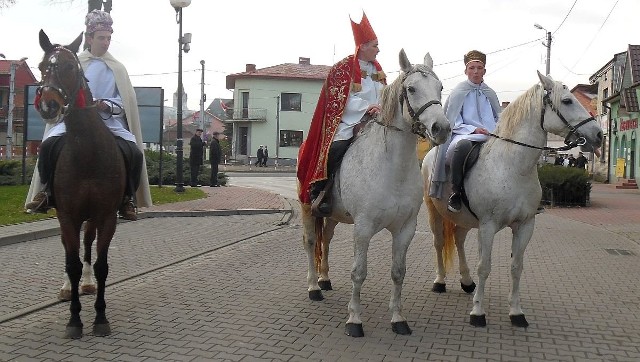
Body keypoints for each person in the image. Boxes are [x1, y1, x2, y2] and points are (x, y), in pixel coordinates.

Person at [25, 9, 152, 220]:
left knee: (135, 152)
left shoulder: (118, 69)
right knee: (48, 145)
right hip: (74, 121)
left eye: (109, 38)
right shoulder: (75, 63)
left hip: (109, 122)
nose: (106, 42)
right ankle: (46, 192)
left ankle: (127, 198)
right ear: (89, 38)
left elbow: (124, 101)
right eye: (102, 38)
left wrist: (106, 105)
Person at [297, 12, 385, 215]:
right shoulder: (343, 68)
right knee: (336, 148)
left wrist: (381, 107)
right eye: (375, 45)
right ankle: (320, 192)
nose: (378, 50)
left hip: (378, 120)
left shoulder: (378, 69)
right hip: (348, 122)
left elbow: (384, 94)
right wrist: (367, 108)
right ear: (362, 46)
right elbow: (342, 100)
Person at [430, 50, 501, 213]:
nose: (475, 71)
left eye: (479, 68)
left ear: (484, 70)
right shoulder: (458, 91)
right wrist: (473, 129)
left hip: (491, 135)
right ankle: (456, 193)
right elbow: (452, 120)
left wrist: (498, 130)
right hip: (464, 134)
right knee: (462, 147)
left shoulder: (490, 93)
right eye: (472, 68)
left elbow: (500, 116)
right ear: (466, 71)